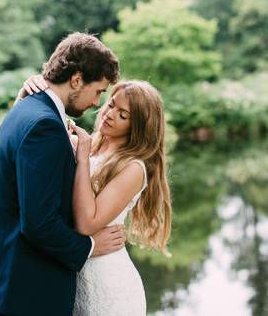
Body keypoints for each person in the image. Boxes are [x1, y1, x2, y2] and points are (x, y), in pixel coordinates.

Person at [0, 32, 128, 316]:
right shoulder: (44, 126)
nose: (96, 103)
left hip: (15, 284)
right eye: (98, 92)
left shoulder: (24, 110)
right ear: (77, 79)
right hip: (31, 291)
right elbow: (39, 224)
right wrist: (90, 246)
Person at [19, 74, 172, 316]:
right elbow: (28, 137)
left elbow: (86, 223)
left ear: (139, 127)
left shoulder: (133, 167)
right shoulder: (89, 144)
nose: (110, 114)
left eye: (123, 115)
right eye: (111, 104)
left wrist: (82, 158)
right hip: (73, 277)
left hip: (109, 288)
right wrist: (26, 97)